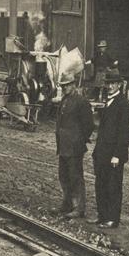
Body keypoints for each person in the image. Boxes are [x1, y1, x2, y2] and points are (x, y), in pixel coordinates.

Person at [92, 69, 129, 228]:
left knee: (113, 187)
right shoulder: (108, 102)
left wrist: (117, 155)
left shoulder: (123, 104)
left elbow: (125, 133)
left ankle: (112, 219)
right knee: (100, 184)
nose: (110, 86)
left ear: (119, 85)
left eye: (113, 83)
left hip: (113, 155)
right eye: (108, 83)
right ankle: (102, 216)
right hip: (102, 153)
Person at [54, 72, 94, 220]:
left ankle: (79, 208)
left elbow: (89, 125)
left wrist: (80, 140)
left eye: (67, 85)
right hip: (63, 145)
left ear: (74, 85)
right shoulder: (64, 100)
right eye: (63, 86)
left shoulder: (81, 101)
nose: (64, 88)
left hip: (74, 146)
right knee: (63, 176)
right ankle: (67, 203)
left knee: (76, 177)